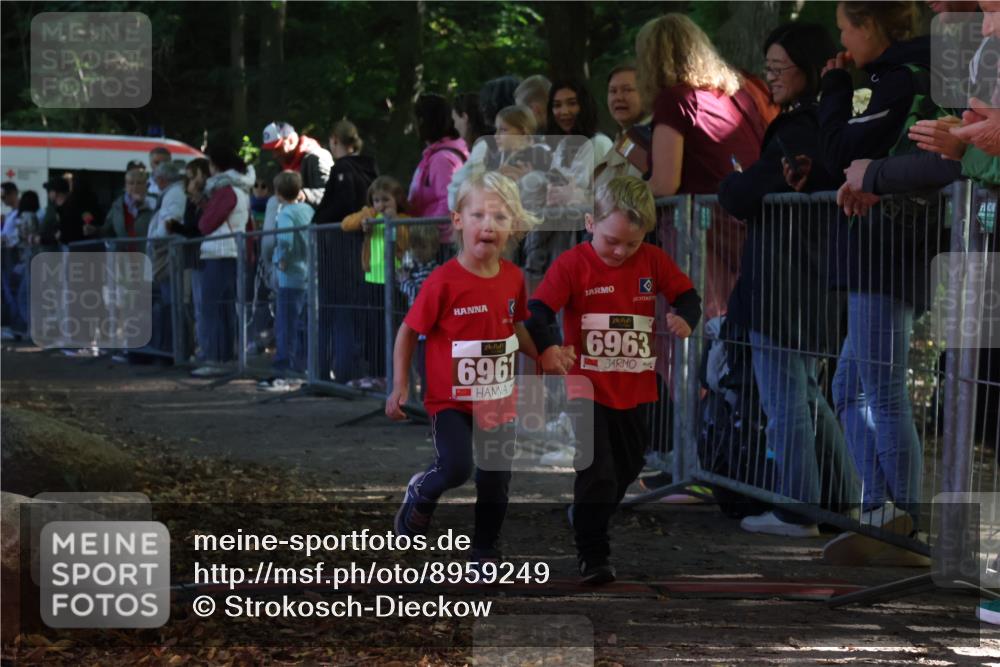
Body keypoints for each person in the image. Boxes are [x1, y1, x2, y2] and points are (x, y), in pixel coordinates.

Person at [718, 23, 859, 537]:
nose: (771, 78)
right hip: (808, 280)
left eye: (779, 69)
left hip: (783, 281)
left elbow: (743, 193)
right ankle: (841, 498)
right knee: (805, 395)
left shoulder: (800, 129)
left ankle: (797, 509)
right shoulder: (826, 123)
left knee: (786, 400)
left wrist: (734, 180)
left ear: (808, 67)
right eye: (769, 68)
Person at [524, 175, 701, 583]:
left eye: (632, 243)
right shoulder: (572, 264)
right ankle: (593, 553)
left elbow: (686, 295)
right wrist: (551, 348)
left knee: (629, 463)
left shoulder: (653, 261)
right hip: (585, 387)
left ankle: (587, 513)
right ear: (590, 222)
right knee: (597, 469)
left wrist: (685, 319)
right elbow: (538, 310)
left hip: (634, 387)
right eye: (612, 241)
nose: (621, 251)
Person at [814, 1, 930, 553]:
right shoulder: (894, 78)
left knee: (881, 392)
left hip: (889, 251)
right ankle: (884, 512)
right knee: (849, 387)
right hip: (876, 250)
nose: (843, 43)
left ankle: (904, 520)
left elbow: (841, 148)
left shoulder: (902, 79)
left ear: (869, 26)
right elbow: (844, 158)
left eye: (844, 30)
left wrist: (835, 89)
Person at [386, 171, 540, 566]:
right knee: (456, 468)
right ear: (458, 220)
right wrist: (400, 385)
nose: (488, 225)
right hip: (449, 399)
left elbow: (517, 325)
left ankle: (485, 551)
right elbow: (407, 332)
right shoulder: (443, 282)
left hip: (497, 399)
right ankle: (421, 492)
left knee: (494, 478)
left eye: (500, 217)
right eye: (478, 215)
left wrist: (543, 357)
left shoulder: (514, 278)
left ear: (513, 227)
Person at [635, 13, 768, 198]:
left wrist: (616, 199)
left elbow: (663, 185)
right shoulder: (734, 94)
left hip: (705, 221)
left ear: (650, 60)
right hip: (750, 218)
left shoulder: (674, 100)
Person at [190, 135, 255, 377]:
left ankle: (216, 358)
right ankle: (224, 356)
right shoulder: (239, 189)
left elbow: (205, 224)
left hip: (220, 253)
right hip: (230, 253)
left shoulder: (226, 191)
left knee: (214, 308)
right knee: (225, 308)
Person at [341, 176, 412, 390]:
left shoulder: (405, 219)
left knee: (392, 331)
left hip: (396, 283)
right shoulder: (371, 216)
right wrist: (369, 215)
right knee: (371, 330)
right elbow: (346, 224)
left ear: (397, 200)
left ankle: (394, 375)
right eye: (376, 201)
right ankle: (375, 373)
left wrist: (394, 221)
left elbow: (406, 241)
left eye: (385, 200)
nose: (381, 205)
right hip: (372, 281)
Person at [264, 171, 314, 390]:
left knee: (286, 323)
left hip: (290, 275)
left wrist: (281, 258)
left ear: (277, 193)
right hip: (308, 274)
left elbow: (285, 240)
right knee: (303, 322)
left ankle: (284, 367)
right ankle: (302, 364)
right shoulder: (308, 210)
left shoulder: (285, 214)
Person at [408, 94, 469, 242]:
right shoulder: (438, 156)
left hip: (438, 244)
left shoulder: (441, 159)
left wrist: (426, 231)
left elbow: (448, 203)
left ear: (423, 121)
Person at [594, 65, 650, 192]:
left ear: (647, 93)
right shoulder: (623, 139)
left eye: (627, 90)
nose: (618, 97)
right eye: (613, 91)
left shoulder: (649, 137)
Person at [260, 121, 333, 208]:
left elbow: (330, 193)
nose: (274, 155)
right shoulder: (282, 163)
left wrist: (302, 195)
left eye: (278, 148)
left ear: (291, 140)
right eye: (272, 150)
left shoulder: (317, 157)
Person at [83, 168, 154, 253]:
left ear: (146, 185)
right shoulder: (118, 205)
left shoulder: (155, 202)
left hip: (148, 256)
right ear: (126, 185)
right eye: (131, 183)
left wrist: (143, 204)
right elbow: (108, 229)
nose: (135, 187)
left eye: (139, 183)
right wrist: (95, 230)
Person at [1, 182, 21, 336]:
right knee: (9, 292)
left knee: (13, 291)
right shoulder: (11, 214)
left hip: (13, 256)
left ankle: (17, 325)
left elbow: (13, 237)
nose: (2, 200)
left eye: (4, 196)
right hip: (7, 255)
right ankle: (13, 324)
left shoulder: (18, 213)